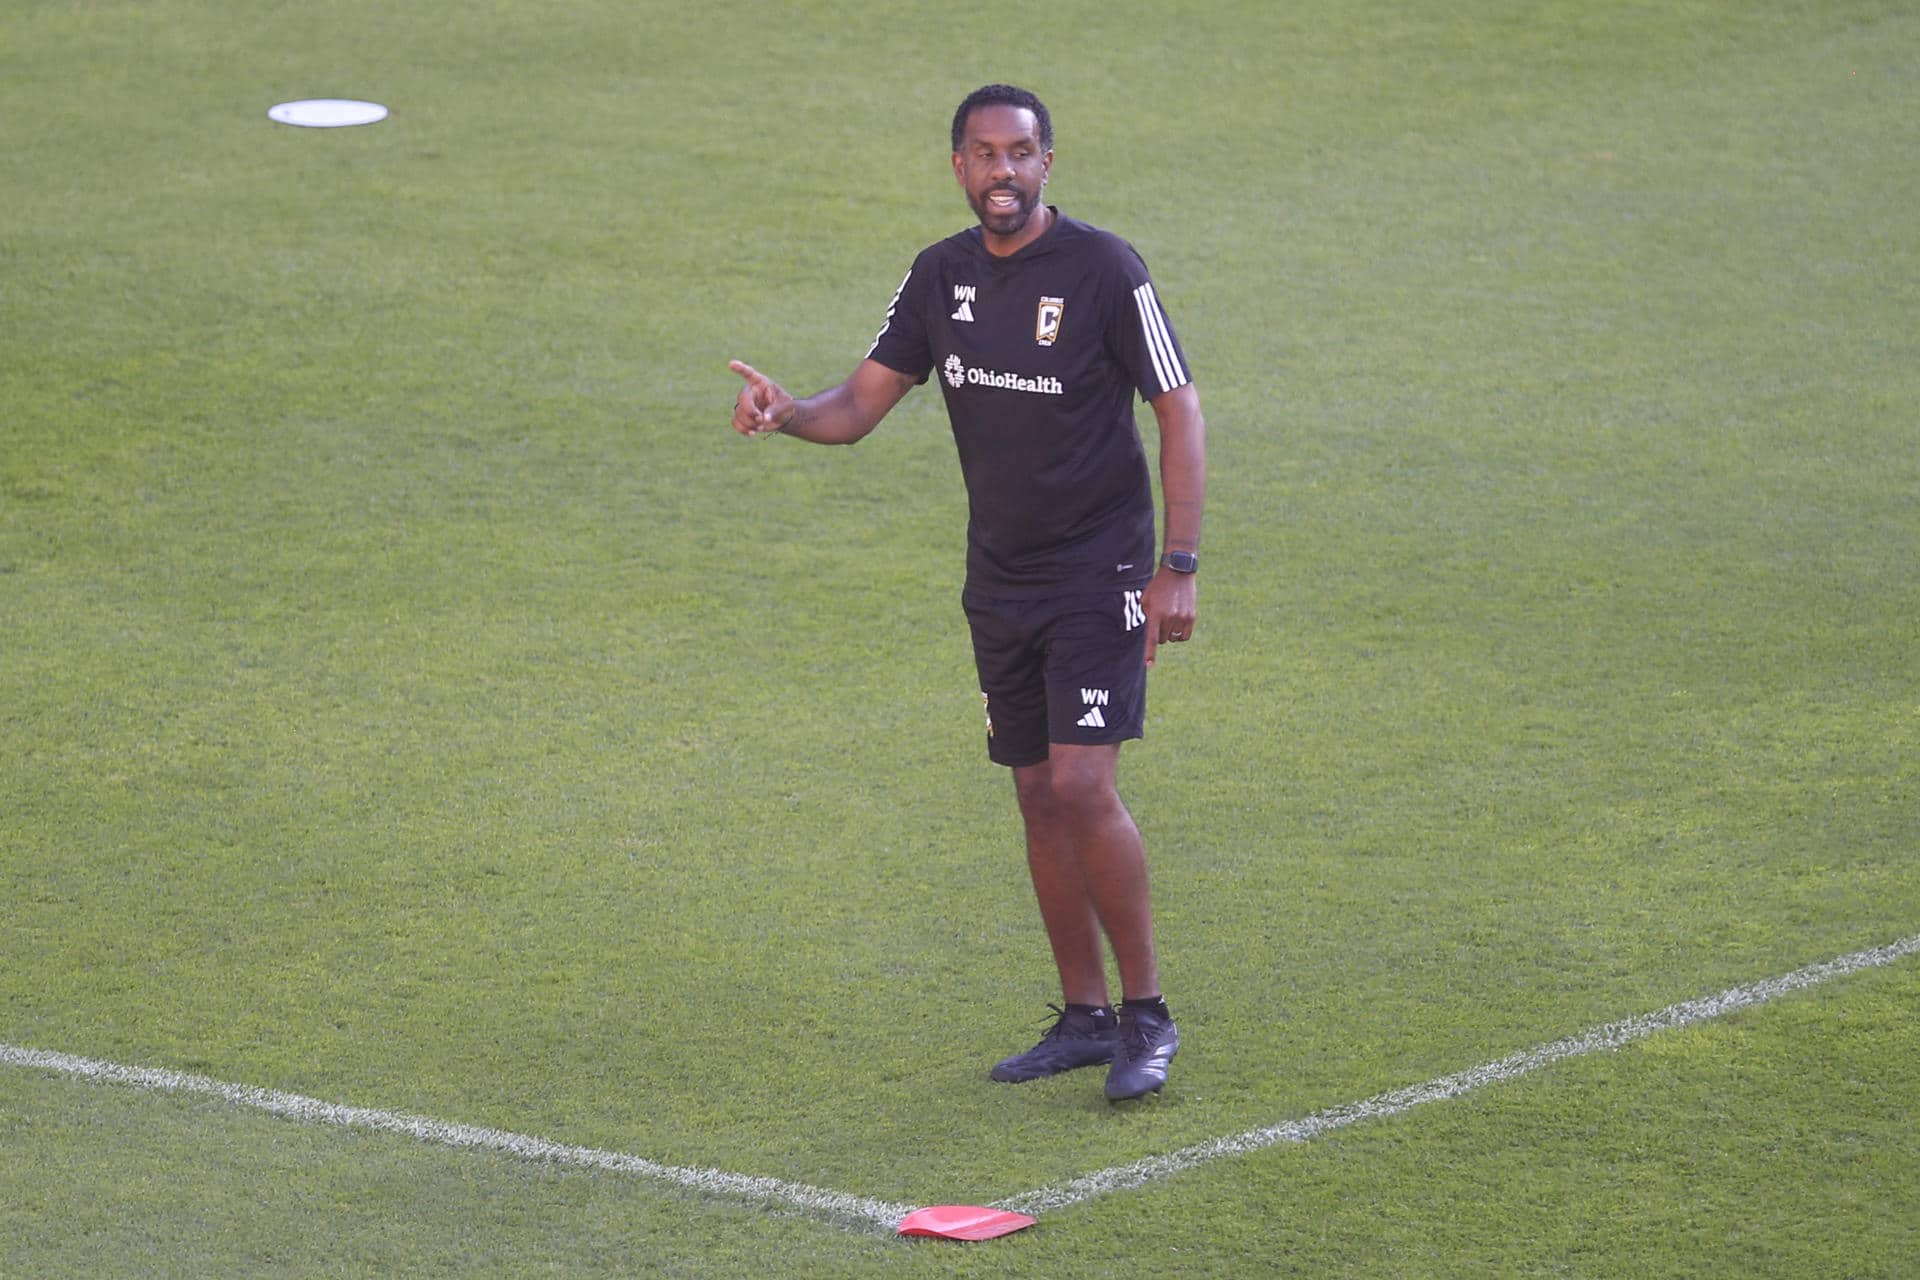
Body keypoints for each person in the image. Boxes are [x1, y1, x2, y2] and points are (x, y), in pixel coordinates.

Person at [728, 84, 1206, 1102]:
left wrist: (1179, 563)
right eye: (984, 154)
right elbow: (859, 405)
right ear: (958, 166)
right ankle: (1082, 1016)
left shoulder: (1104, 269)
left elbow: (1178, 405)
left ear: (1047, 163)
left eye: (1021, 153)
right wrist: (785, 411)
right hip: (1000, 578)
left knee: (1082, 785)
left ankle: (1147, 1012)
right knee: (1034, 790)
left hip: (1101, 570)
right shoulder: (938, 277)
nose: (1003, 171)